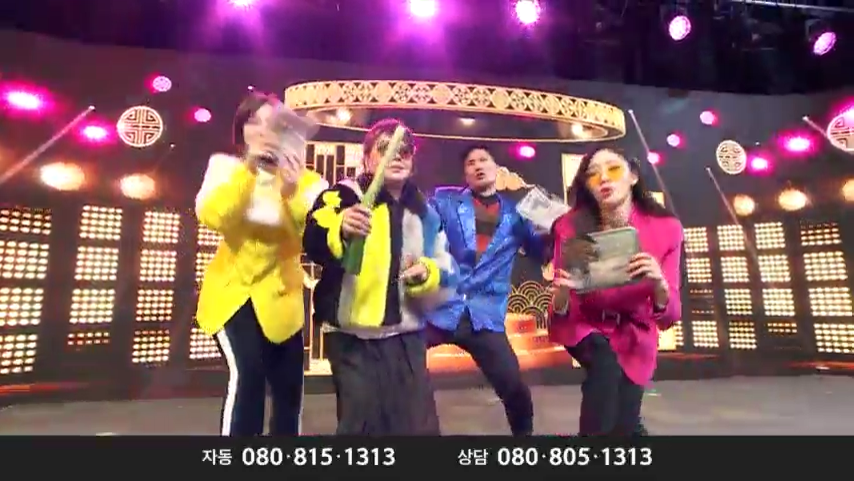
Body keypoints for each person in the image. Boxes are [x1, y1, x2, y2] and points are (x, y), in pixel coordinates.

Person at [303, 119, 455, 435]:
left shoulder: (425, 211)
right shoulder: (343, 196)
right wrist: (340, 227)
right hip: (352, 338)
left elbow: (445, 267)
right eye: (385, 149)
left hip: (407, 336)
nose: (396, 156)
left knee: (418, 428)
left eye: (404, 151)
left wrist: (427, 273)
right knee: (362, 427)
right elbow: (313, 239)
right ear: (367, 158)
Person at [194, 92, 327, 436]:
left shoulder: (309, 182)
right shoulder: (225, 169)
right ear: (241, 130)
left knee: (289, 389)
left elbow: (311, 238)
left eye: (274, 124)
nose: (264, 130)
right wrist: (250, 171)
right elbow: (213, 216)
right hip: (233, 294)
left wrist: (291, 191)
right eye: (254, 122)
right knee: (248, 374)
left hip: (282, 298)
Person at [548, 146, 683, 436]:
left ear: (633, 175)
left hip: (636, 332)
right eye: (593, 174)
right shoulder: (569, 226)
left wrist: (659, 284)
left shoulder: (667, 228)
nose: (604, 178)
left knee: (624, 424)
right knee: (606, 366)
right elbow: (561, 308)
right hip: (584, 323)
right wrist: (561, 292)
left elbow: (670, 315)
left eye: (613, 168)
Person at [426, 145, 551, 436]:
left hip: (484, 316)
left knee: (514, 388)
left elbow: (538, 254)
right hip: (441, 307)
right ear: (465, 173)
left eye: (484, 160)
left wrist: (549, 234)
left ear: (497, 168)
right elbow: (421, 232)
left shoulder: (517, 215)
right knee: (398, 362)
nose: (478, 166)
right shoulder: (445, 201)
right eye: (471, 163)